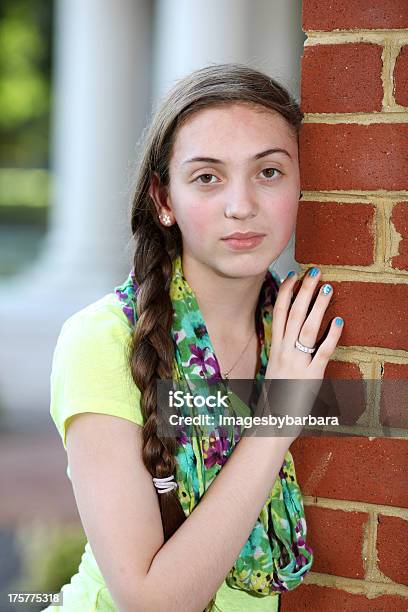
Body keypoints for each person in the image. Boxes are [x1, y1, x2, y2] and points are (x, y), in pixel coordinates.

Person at [42, 63, 344, 612]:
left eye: (269, 172)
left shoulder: (299, 333)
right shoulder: (101, 340)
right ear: (163, 200)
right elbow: (153, 602)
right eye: (208, 176)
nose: (241, 205)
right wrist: (278, 414)